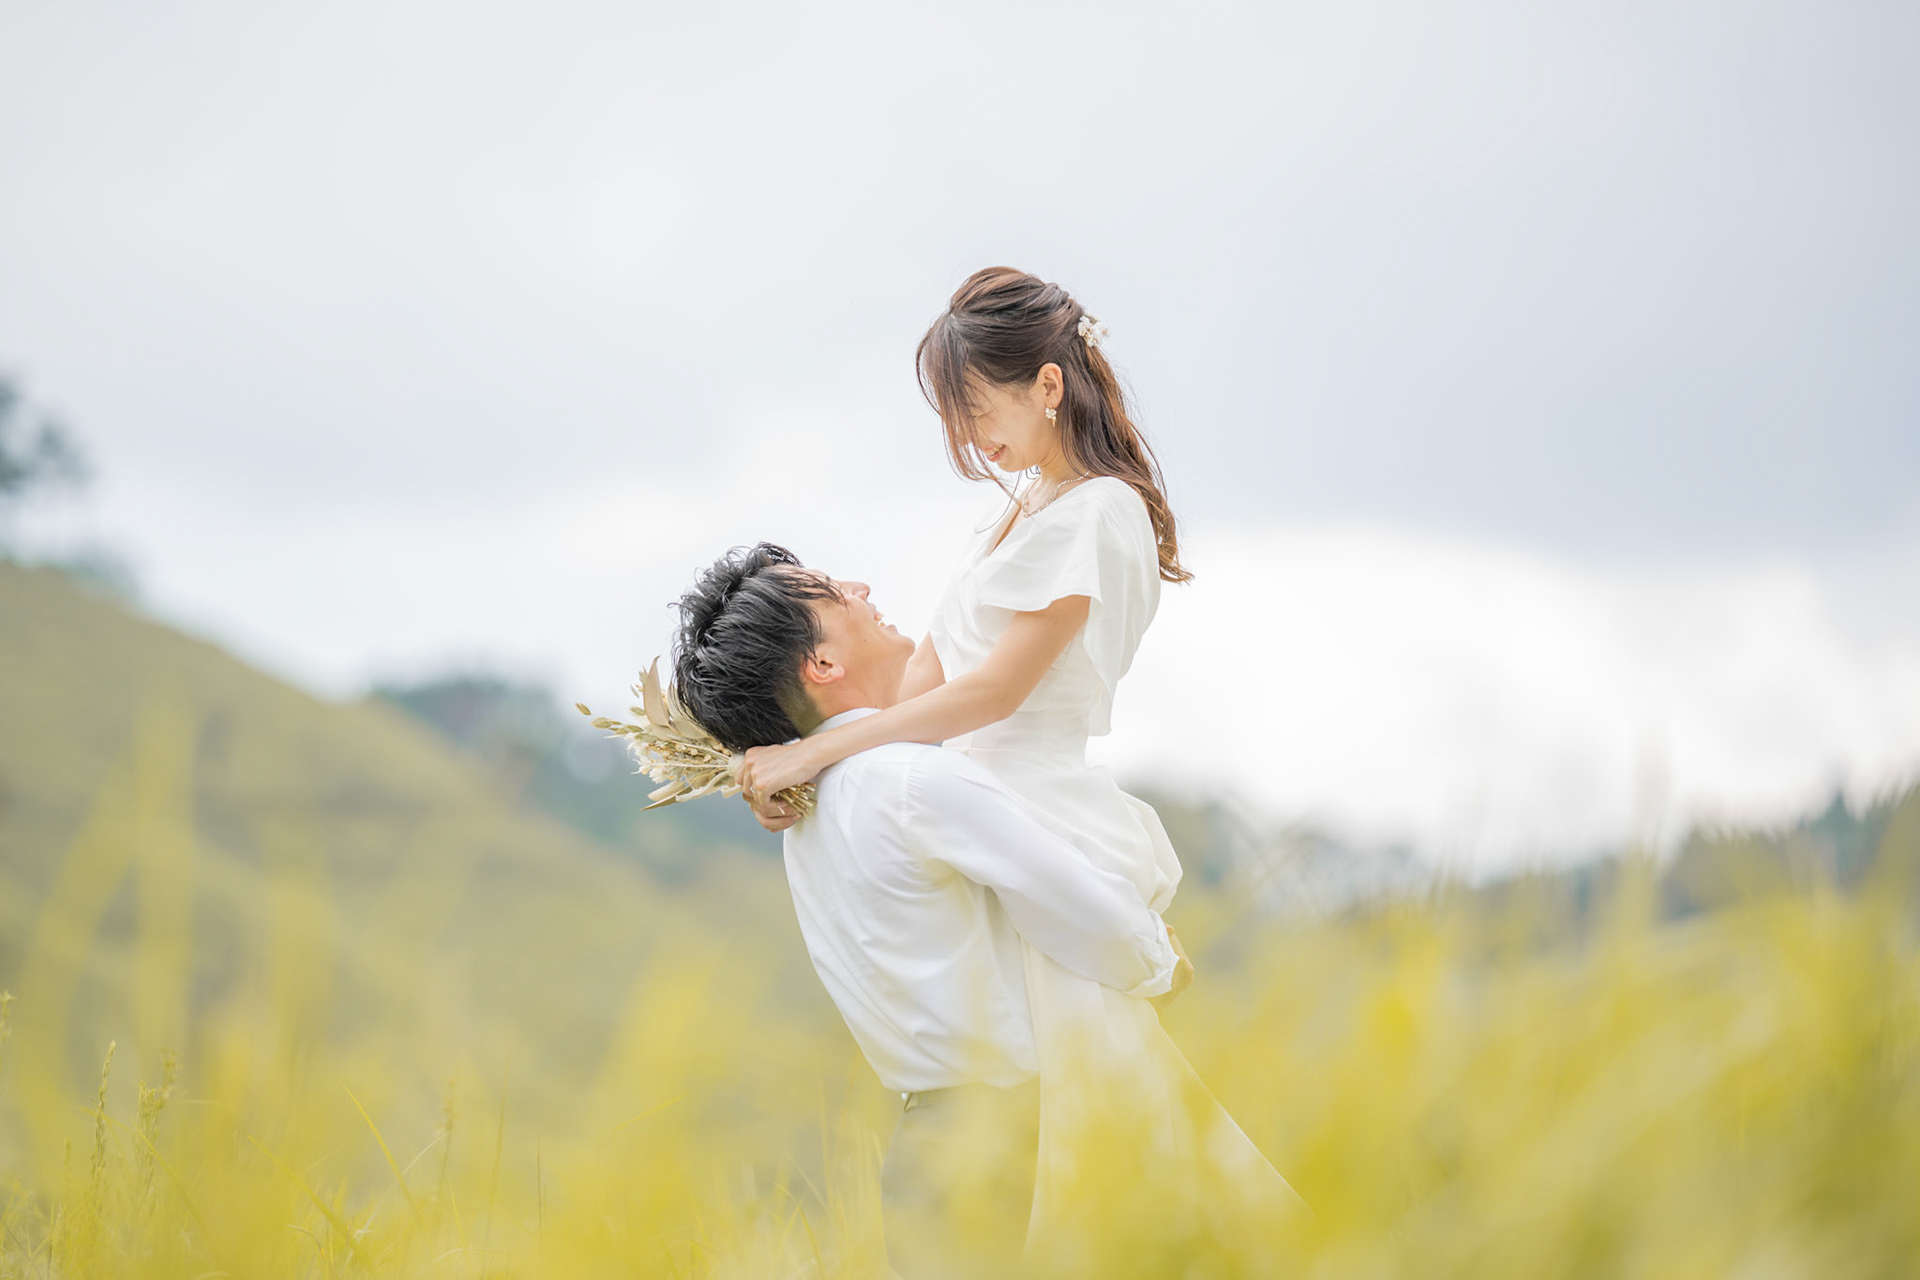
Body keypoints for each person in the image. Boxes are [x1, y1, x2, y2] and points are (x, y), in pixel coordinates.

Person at [734, 268, 1305, 1244]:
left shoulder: (1100, 512)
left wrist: (818, 755)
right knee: (1065, 1113)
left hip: (1027, 807)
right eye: (953, 421)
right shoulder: (1013, 512)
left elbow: (995, 694)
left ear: (1047, 384)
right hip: (970, 806)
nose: (968, 442)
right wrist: (796, 756)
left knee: (1093, 1130)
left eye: (976, 411)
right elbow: (920, 684)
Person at [671, 542, 1197, 1276]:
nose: (860, 586)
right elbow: (1076, 901)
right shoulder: (912, 781)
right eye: (832, 591)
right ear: (820, 664)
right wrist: (1161, 964)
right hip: (1008, 1146)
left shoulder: (807, 813)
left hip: (922, 1152)